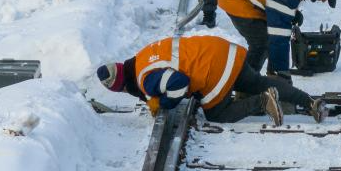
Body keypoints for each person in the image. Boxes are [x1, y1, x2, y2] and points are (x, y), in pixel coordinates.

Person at [96, 34, 327, 125]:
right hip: (225, 52)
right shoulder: (144, 56)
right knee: (257, 82)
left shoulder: (145, 79)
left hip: (213, 70)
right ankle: (310, 102)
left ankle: (262, 102)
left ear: (125, 86)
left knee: (216, 114)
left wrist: (164, 103)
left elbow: (179, 83)